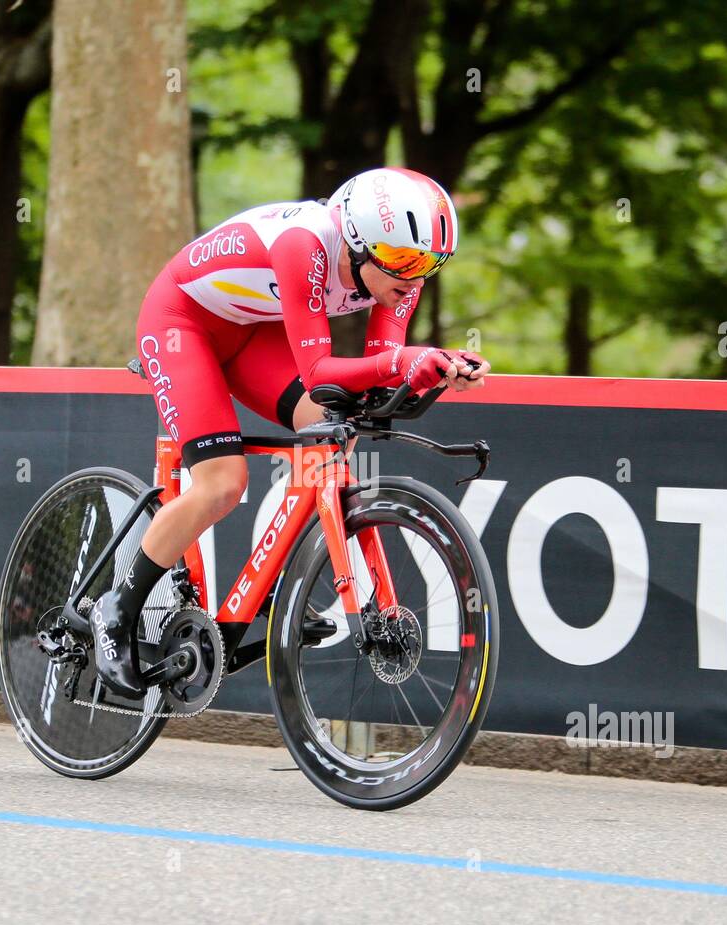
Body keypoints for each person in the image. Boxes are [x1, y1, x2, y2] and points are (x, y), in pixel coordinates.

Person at [91, 167, 489, 700]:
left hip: (250, 330)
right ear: (357, 242)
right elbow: (320, 371)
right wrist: (410, 359)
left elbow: (378, 363)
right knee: (222, 483)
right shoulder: (307, 245)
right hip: (182, 321)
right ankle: (116, 610)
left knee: (332, 424)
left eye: (430, 263)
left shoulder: (397, 277)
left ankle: (280, 579)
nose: (415, 277)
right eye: (402, 260)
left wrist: (432, 369)